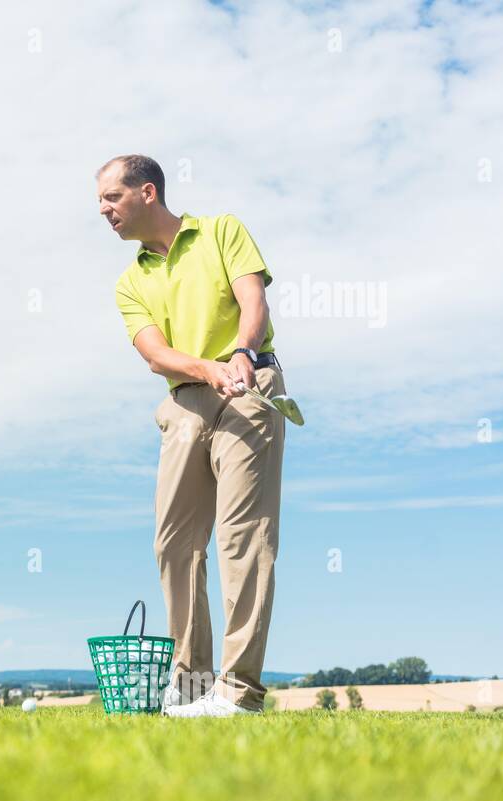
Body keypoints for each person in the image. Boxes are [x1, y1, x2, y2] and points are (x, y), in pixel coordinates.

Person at [96, 155, 287, 718]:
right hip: (186, 400)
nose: (104, 211)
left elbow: (253, 299)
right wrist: (207, 370)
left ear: (147, 192)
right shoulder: (131, 281)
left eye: (112, 198)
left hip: (250, 384)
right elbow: (155, 354)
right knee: (174, 543)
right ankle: (193, 682)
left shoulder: (221, 230)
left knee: (240, 536)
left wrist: (241, 356)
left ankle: (238, 692)